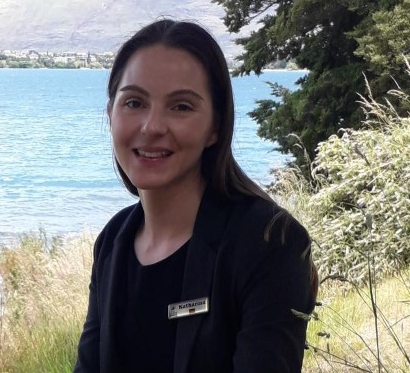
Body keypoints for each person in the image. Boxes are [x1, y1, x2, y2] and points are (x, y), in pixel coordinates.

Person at [74, 19, 318, 373]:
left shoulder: (270, 242)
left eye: (181, 107)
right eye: (134, 102)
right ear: (111, 113)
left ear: (215, 127)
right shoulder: (113, 241)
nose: (152, 126)